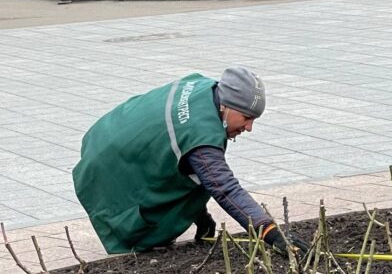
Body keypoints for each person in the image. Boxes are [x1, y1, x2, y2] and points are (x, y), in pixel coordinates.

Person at [72, 66, 308, 256]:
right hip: (109, 168)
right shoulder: (200, 135)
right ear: (227, 106)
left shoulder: (204, 88)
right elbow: (224, 188)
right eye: (246, 118)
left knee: (197, 172)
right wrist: (270, 233)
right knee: (140, 229)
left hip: (105, 134)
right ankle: (136, 234)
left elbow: (188, 165)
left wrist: (199, 215)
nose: (249, 127)